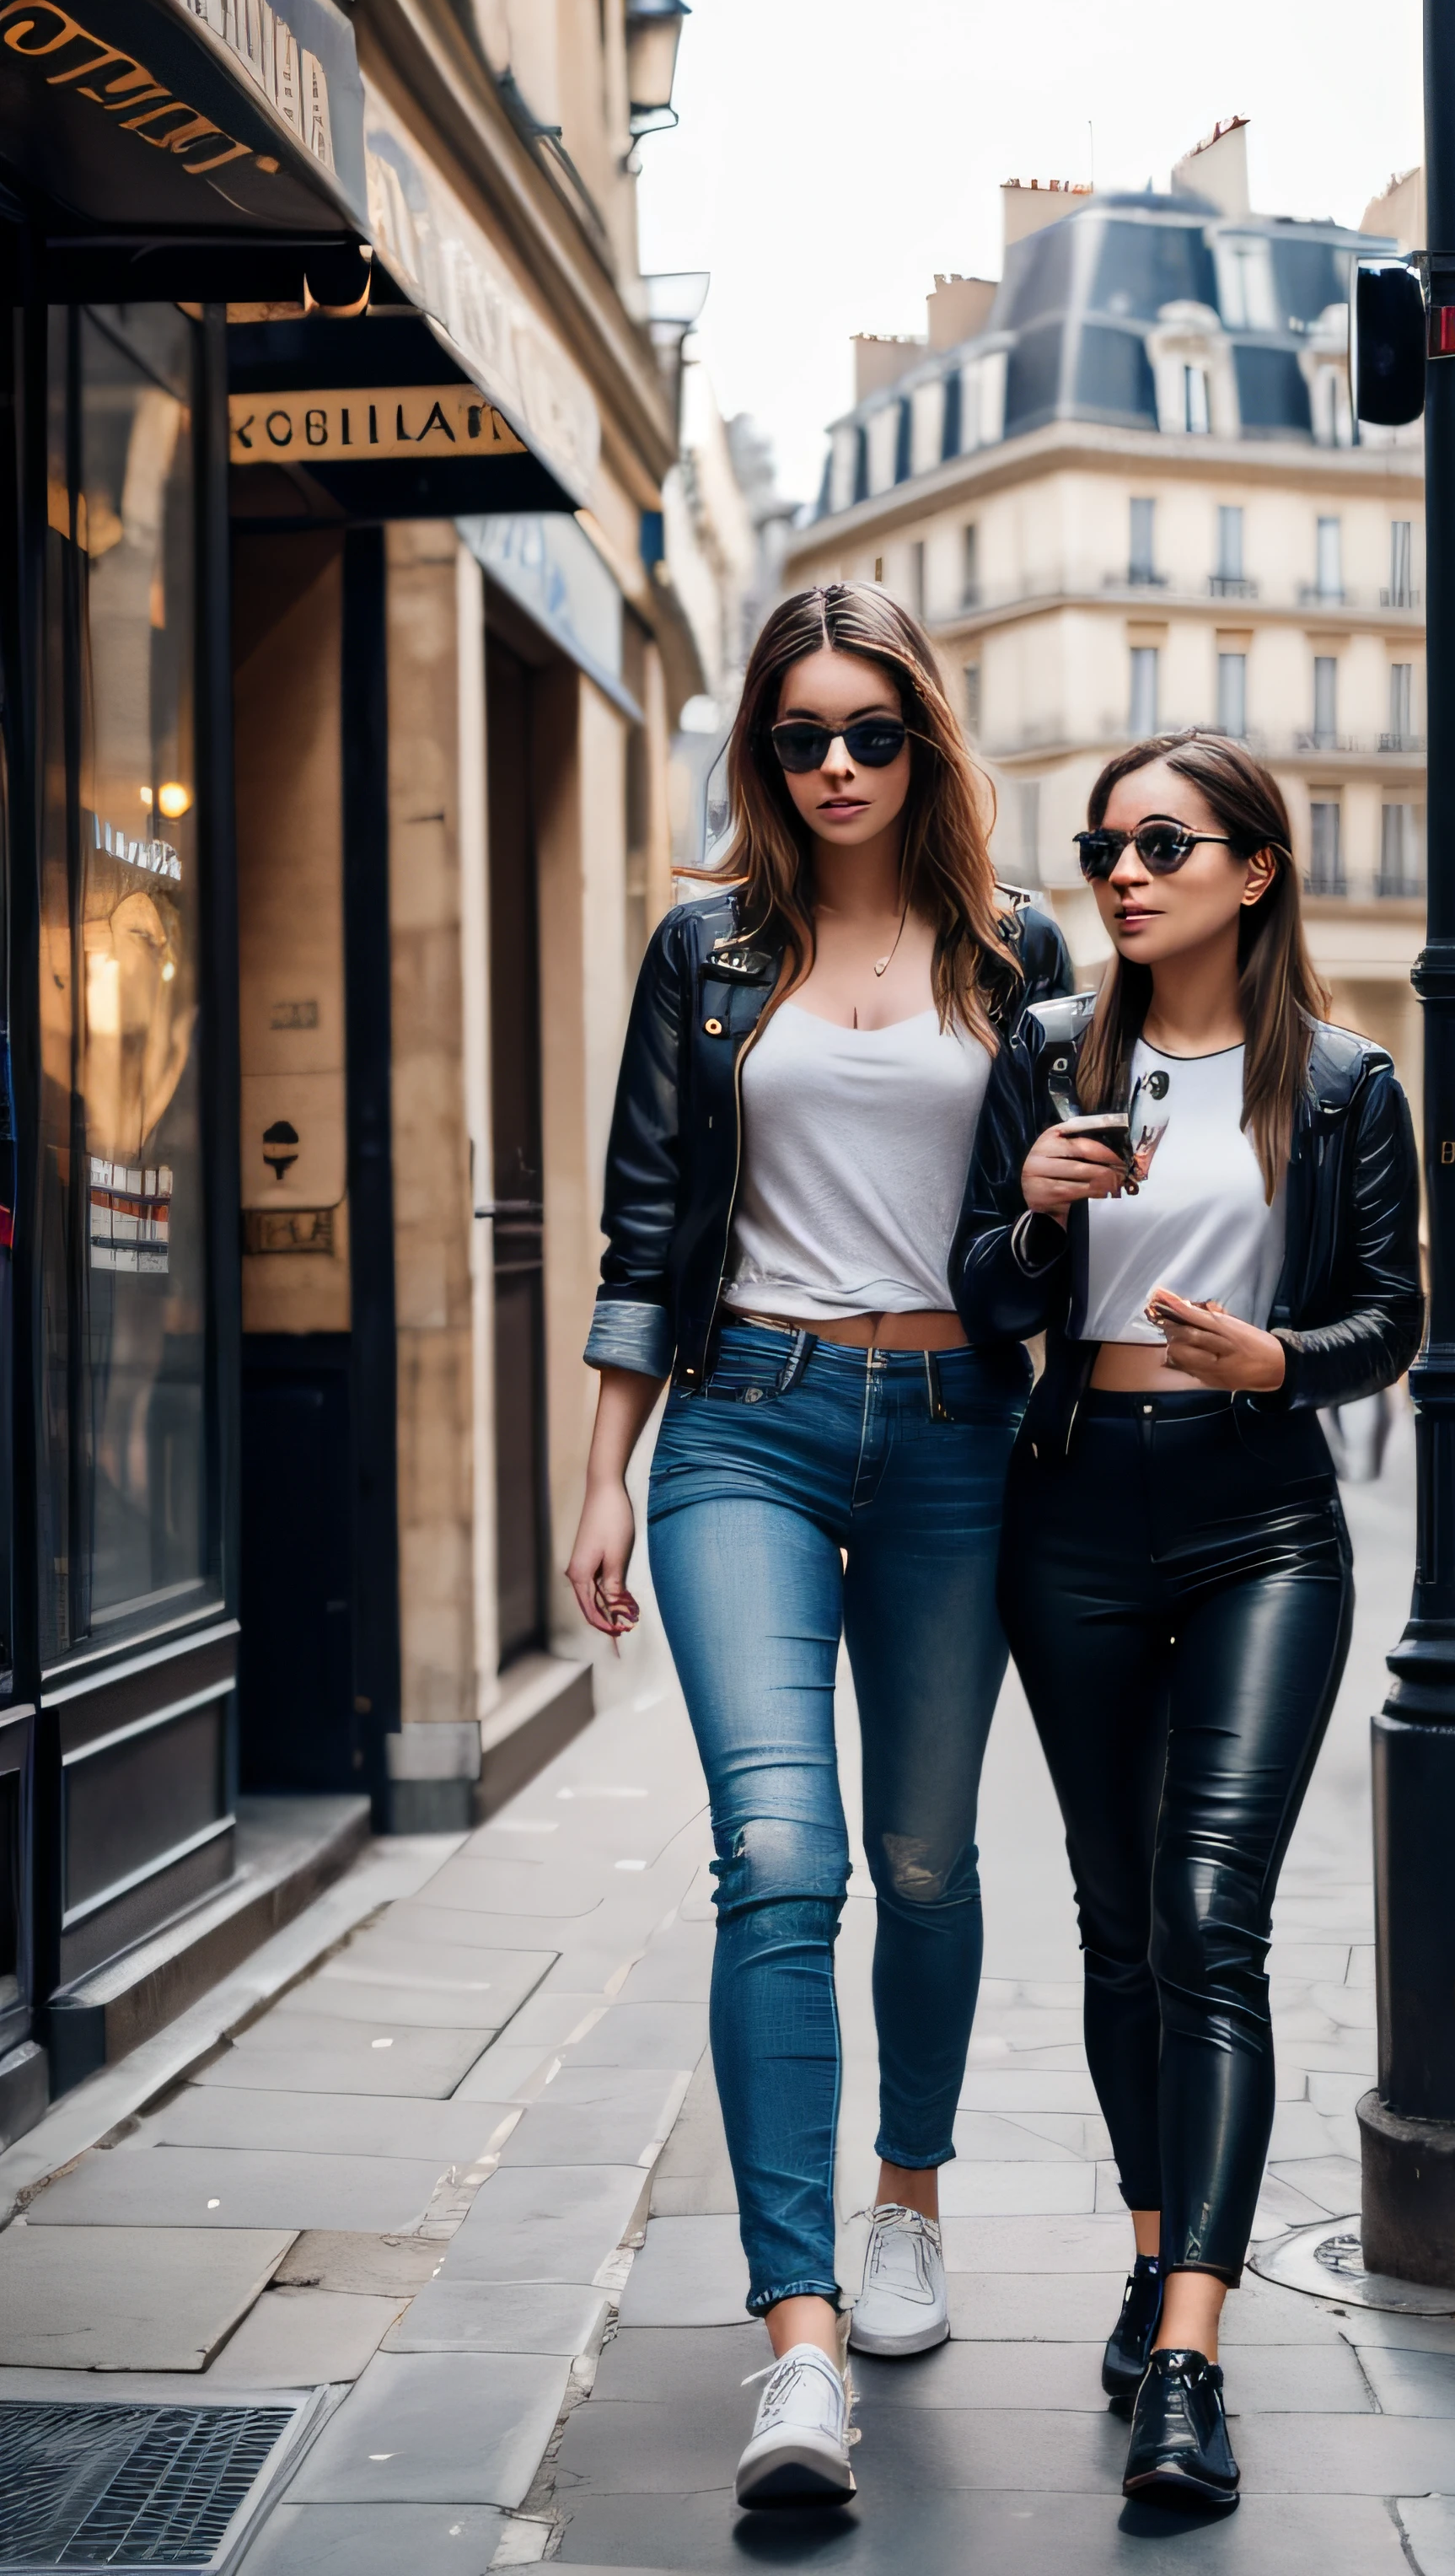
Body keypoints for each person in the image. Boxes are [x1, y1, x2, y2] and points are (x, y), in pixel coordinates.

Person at [567, 582, 1070, 2509]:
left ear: (923, 742)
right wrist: (608, 1470)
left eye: (871, 730)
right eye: (801, 736)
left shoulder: (1016, 955)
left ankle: (908, 2203)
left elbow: (1060, 1227)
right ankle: (798, 2342)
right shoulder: (705, 949)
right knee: (779, 1856)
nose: (838, 764)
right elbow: (642, 1228)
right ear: (761, 754)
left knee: (923, 1856)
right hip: (745, 1431)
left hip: (959, 1435)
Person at [953, 731, 1423, 2509]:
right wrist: (1026, 1215)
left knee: (1210, 1915)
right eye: (1102, 846)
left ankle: (1188, 2356)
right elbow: (978, 1293)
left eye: (1161, 842)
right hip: (1069, 1506)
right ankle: (1156, 2246)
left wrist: (1277, 1359)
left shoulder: (1349, 1083)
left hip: (1261, 1526)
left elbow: (1393, 1319)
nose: (1123, 872)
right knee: (1115, 1921)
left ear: (1251, 868)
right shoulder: (1042, 1052)